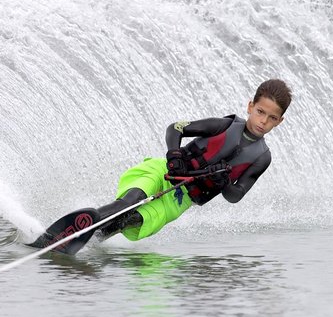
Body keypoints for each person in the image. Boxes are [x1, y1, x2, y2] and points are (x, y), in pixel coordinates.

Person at [93, 79, 292, 242]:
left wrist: (224, 182)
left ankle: (88, 241)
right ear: (251, 106)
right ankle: (84, 225)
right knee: (130, 202)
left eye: (272, 118)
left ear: (280, 121)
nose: (263, 121)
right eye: (260, 112)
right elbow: (175, 128)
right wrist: (174, 155)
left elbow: (235, 196)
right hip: (163, 173)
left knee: (132, 219)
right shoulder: (224, 125)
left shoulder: (262, 157)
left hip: (181, 201)